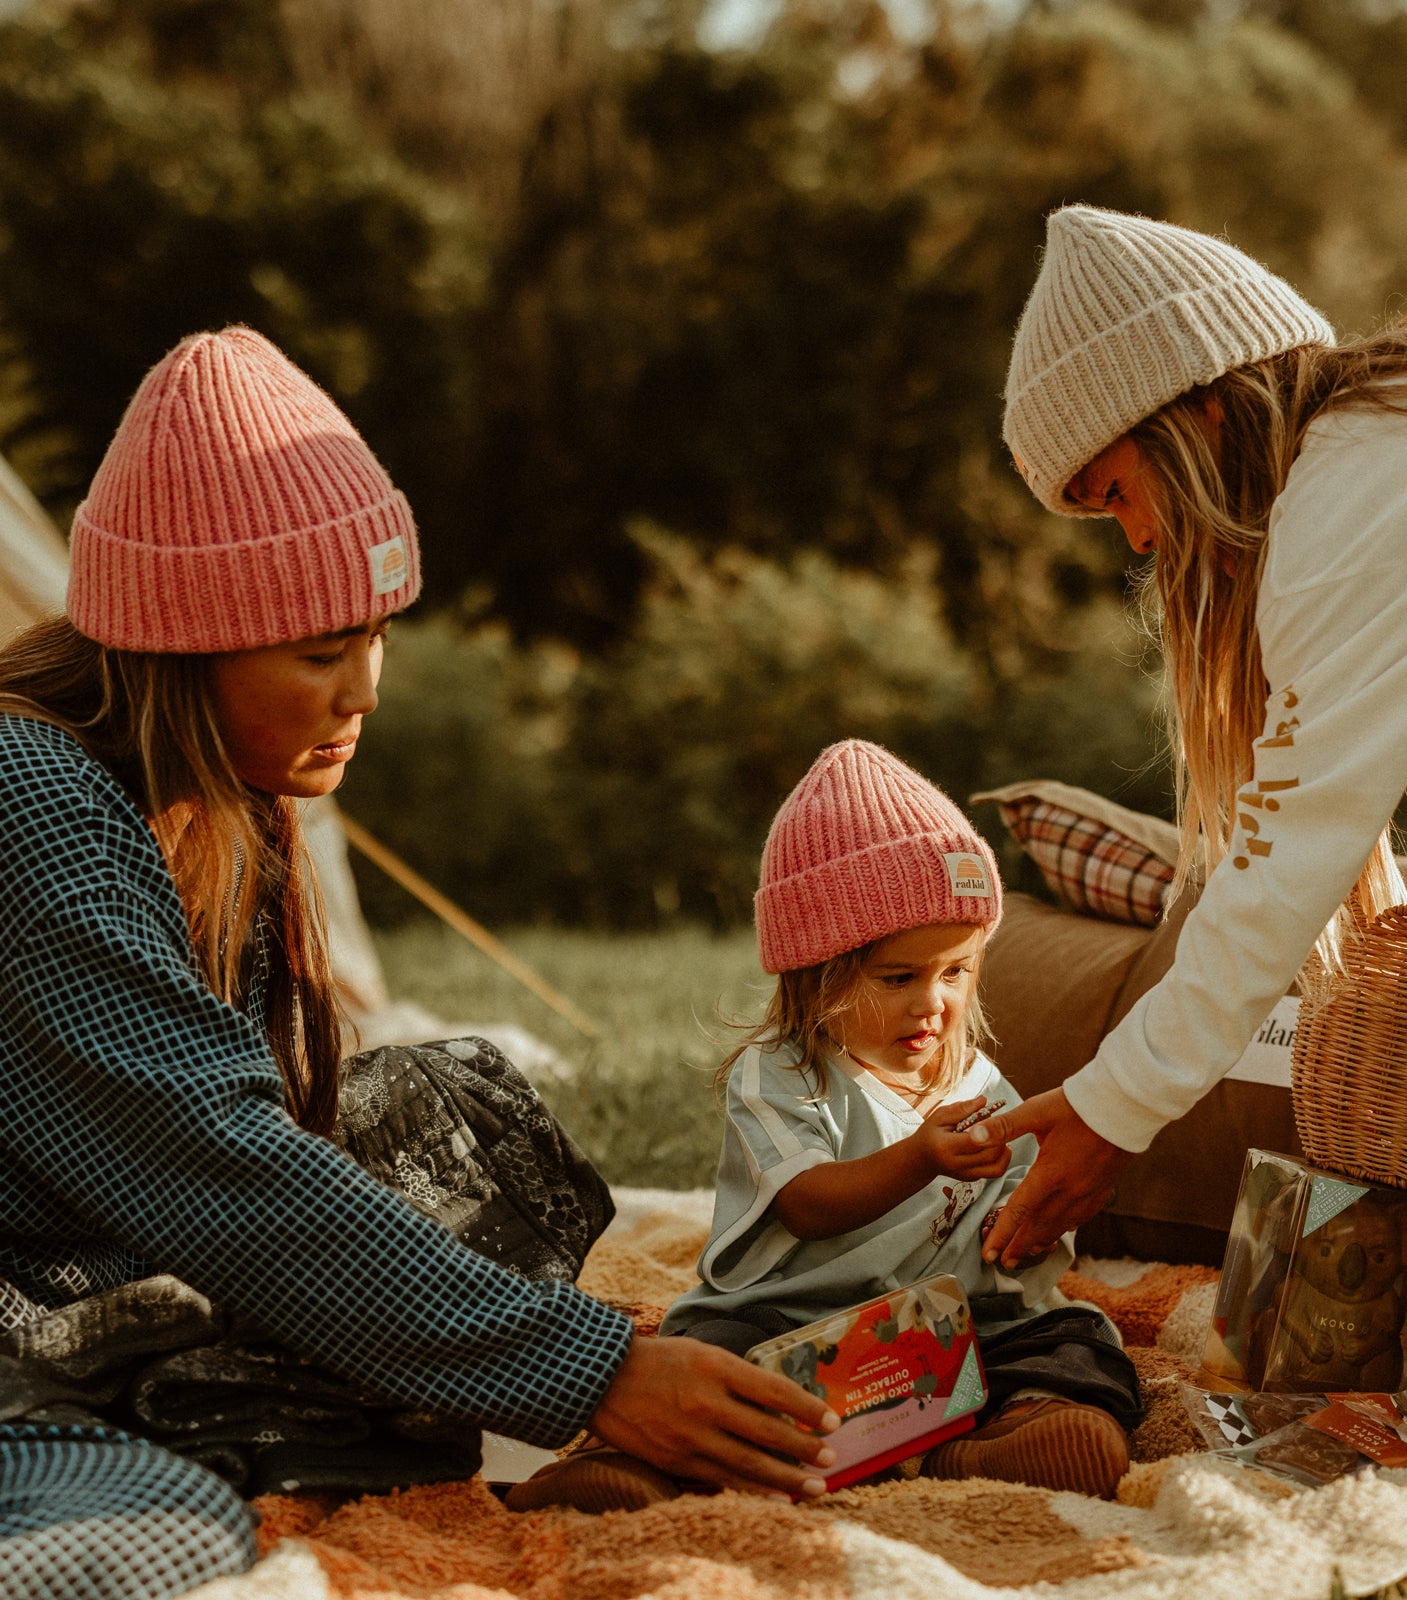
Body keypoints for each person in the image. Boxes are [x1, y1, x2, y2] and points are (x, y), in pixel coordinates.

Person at [0, 328, 836, 1599]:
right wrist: (597, 1371)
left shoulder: (224, 795)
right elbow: (213, 1160)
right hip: (39, 1292)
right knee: (165, 1532)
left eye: (376, 636)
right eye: (320, 653)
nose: (367, 692)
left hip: (106, 1242)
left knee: (459, 1118)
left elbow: (261, 1134)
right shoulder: (33, 799)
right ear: (177, 647)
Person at [968, 203, 1407, 1492]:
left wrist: (1109, 1108)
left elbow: (1277, 876)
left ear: (1197, 414)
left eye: (1117, 493)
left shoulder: (1343, 521)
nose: (1137, 541)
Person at [519, 739, 1141, 1513]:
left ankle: (1012, 1432)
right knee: (706, 1367)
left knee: (1076, 1343)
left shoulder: (976, 1080)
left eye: (957, 971)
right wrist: (921, 1158)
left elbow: (1017, 1216)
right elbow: (807, 1203)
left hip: (948, 1331)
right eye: (899, 977)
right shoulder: (782, 1074)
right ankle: (633, 1466)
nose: (934, 1003)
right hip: (795, 1325)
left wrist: (1030, 1226)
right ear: (817, 974)